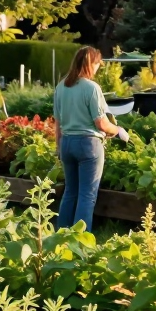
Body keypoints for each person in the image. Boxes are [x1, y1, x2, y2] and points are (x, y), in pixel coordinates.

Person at [54, 46, 127, 229]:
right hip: (88, 145)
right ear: (90, 64)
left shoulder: (61, 86)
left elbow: (58, 123)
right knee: (87, 194)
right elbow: (101, 124)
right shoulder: (92, 88)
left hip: (67, 143)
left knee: (70, 191)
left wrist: (59, 147)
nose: (98, 68)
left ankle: (60, 236)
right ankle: (80, 240)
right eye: (97, 64)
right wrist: (118, 130)